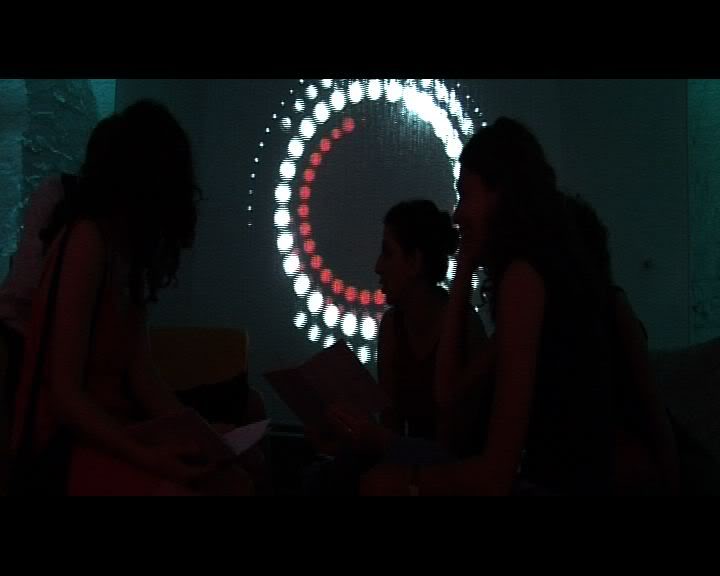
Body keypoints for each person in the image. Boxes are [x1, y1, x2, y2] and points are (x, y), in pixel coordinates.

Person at [360, 117, 632, 495]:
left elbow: (496, 472)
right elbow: (448, 395)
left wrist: (409, 483)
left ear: (501, 195)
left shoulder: (524, 280)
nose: (457, 214)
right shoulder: (539, 279)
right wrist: (463, 271)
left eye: (465, 194)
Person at [10, 100, 252, 495]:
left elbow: (141, 373)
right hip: (64, 446)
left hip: (117, 432)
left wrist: (202, 436)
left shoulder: (127, 252)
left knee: (232, 478)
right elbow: (65, 395)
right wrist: (150, 456)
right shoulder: (87, 242)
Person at [305, 200, 487, 493]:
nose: (378, 267)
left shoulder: (465, 328)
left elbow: (458, 446)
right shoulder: (392, 326)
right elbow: (390, 425)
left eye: (387, 253)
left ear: (414, 262)